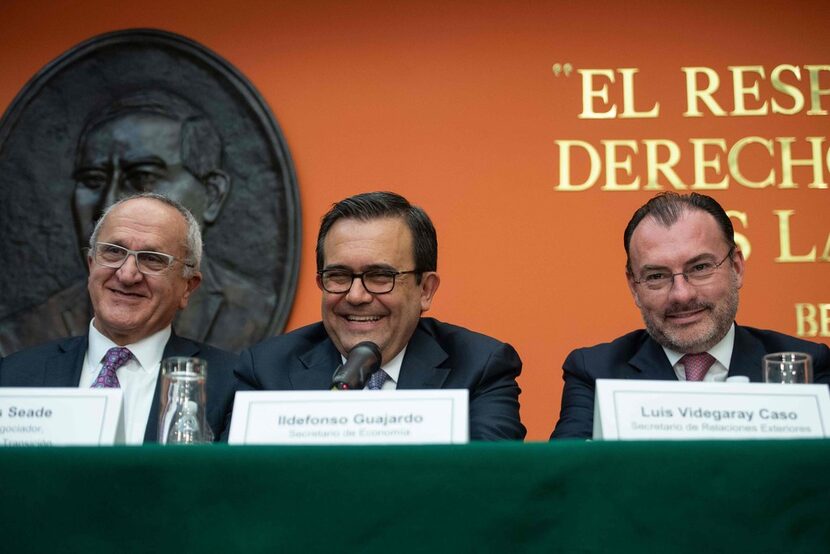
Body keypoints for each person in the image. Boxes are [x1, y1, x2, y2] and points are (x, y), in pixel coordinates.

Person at [0, 89, 276, 355]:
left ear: (213, 194)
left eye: (142, 178)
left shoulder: (250, 320)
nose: (108, 203)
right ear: (91, 262)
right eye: (93, 180)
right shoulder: (17, 343)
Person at [231, 191, 525, 440]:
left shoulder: (479, 367)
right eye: (338, 275)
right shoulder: (266, 371)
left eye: (380, 276)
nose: (356, 296)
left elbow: (490, 484)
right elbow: (235, 486)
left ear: (425, 289)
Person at [551, 192, 830, 439]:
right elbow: (567, 482)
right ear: (633, 287)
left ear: (736, 267)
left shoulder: (808, 367)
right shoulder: (595, 372)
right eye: (657, 276)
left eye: (699, 268)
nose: (681, 295)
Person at [0, 193, 237, 443]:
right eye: (113, 251)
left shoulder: (231, 385)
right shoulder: (12, 377)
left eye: (152, 259)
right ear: (92, 265)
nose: (127, 274)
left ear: (188, 287)